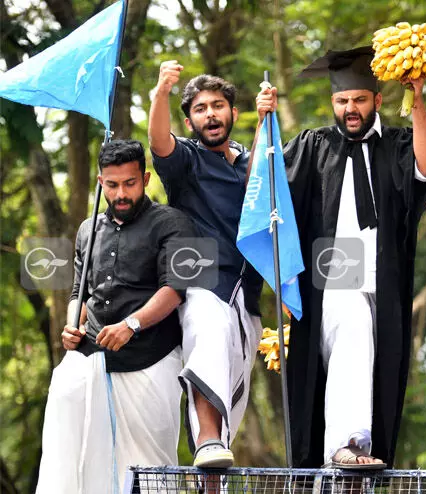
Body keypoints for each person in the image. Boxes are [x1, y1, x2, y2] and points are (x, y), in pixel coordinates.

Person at [254, 46, 426, 469]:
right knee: (354, 323)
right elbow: (262, 181)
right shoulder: (313, 145)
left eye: (359, 99)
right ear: (333, 103)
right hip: (334, 273)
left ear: (377, 100)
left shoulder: (397, 143)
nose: (350, 109)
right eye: (342, 101)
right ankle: (347, 445)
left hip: (387, 279)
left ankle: (356, 461)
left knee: (376, 371)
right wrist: (262, 124)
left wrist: (416, 98)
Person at [36, 140, 193, 493]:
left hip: (150, 357)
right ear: (99, 182)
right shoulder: (86, 229)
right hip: (89, 356)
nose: (121, 193)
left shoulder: (175, 223)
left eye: (130, 183)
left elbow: (176, 289)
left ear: (146, 178)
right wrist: (72, 325)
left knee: (152, 471)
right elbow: (78, 292)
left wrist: (131, 325)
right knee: (67, 440)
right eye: (112, 184)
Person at [148, 63, 264, 468]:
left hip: (247, 290)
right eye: (200, 109)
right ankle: (208, 440)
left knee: (236, 384)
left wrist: (267, 121)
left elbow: (264, 189)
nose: (211, 114)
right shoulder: (185, 160)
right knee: (207, 338)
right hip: (202, 278)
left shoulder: (252, 157)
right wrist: (161, 91)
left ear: (232, 113)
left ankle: (211, 468)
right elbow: (159, 141)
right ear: (189, 120)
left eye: (218, 106)